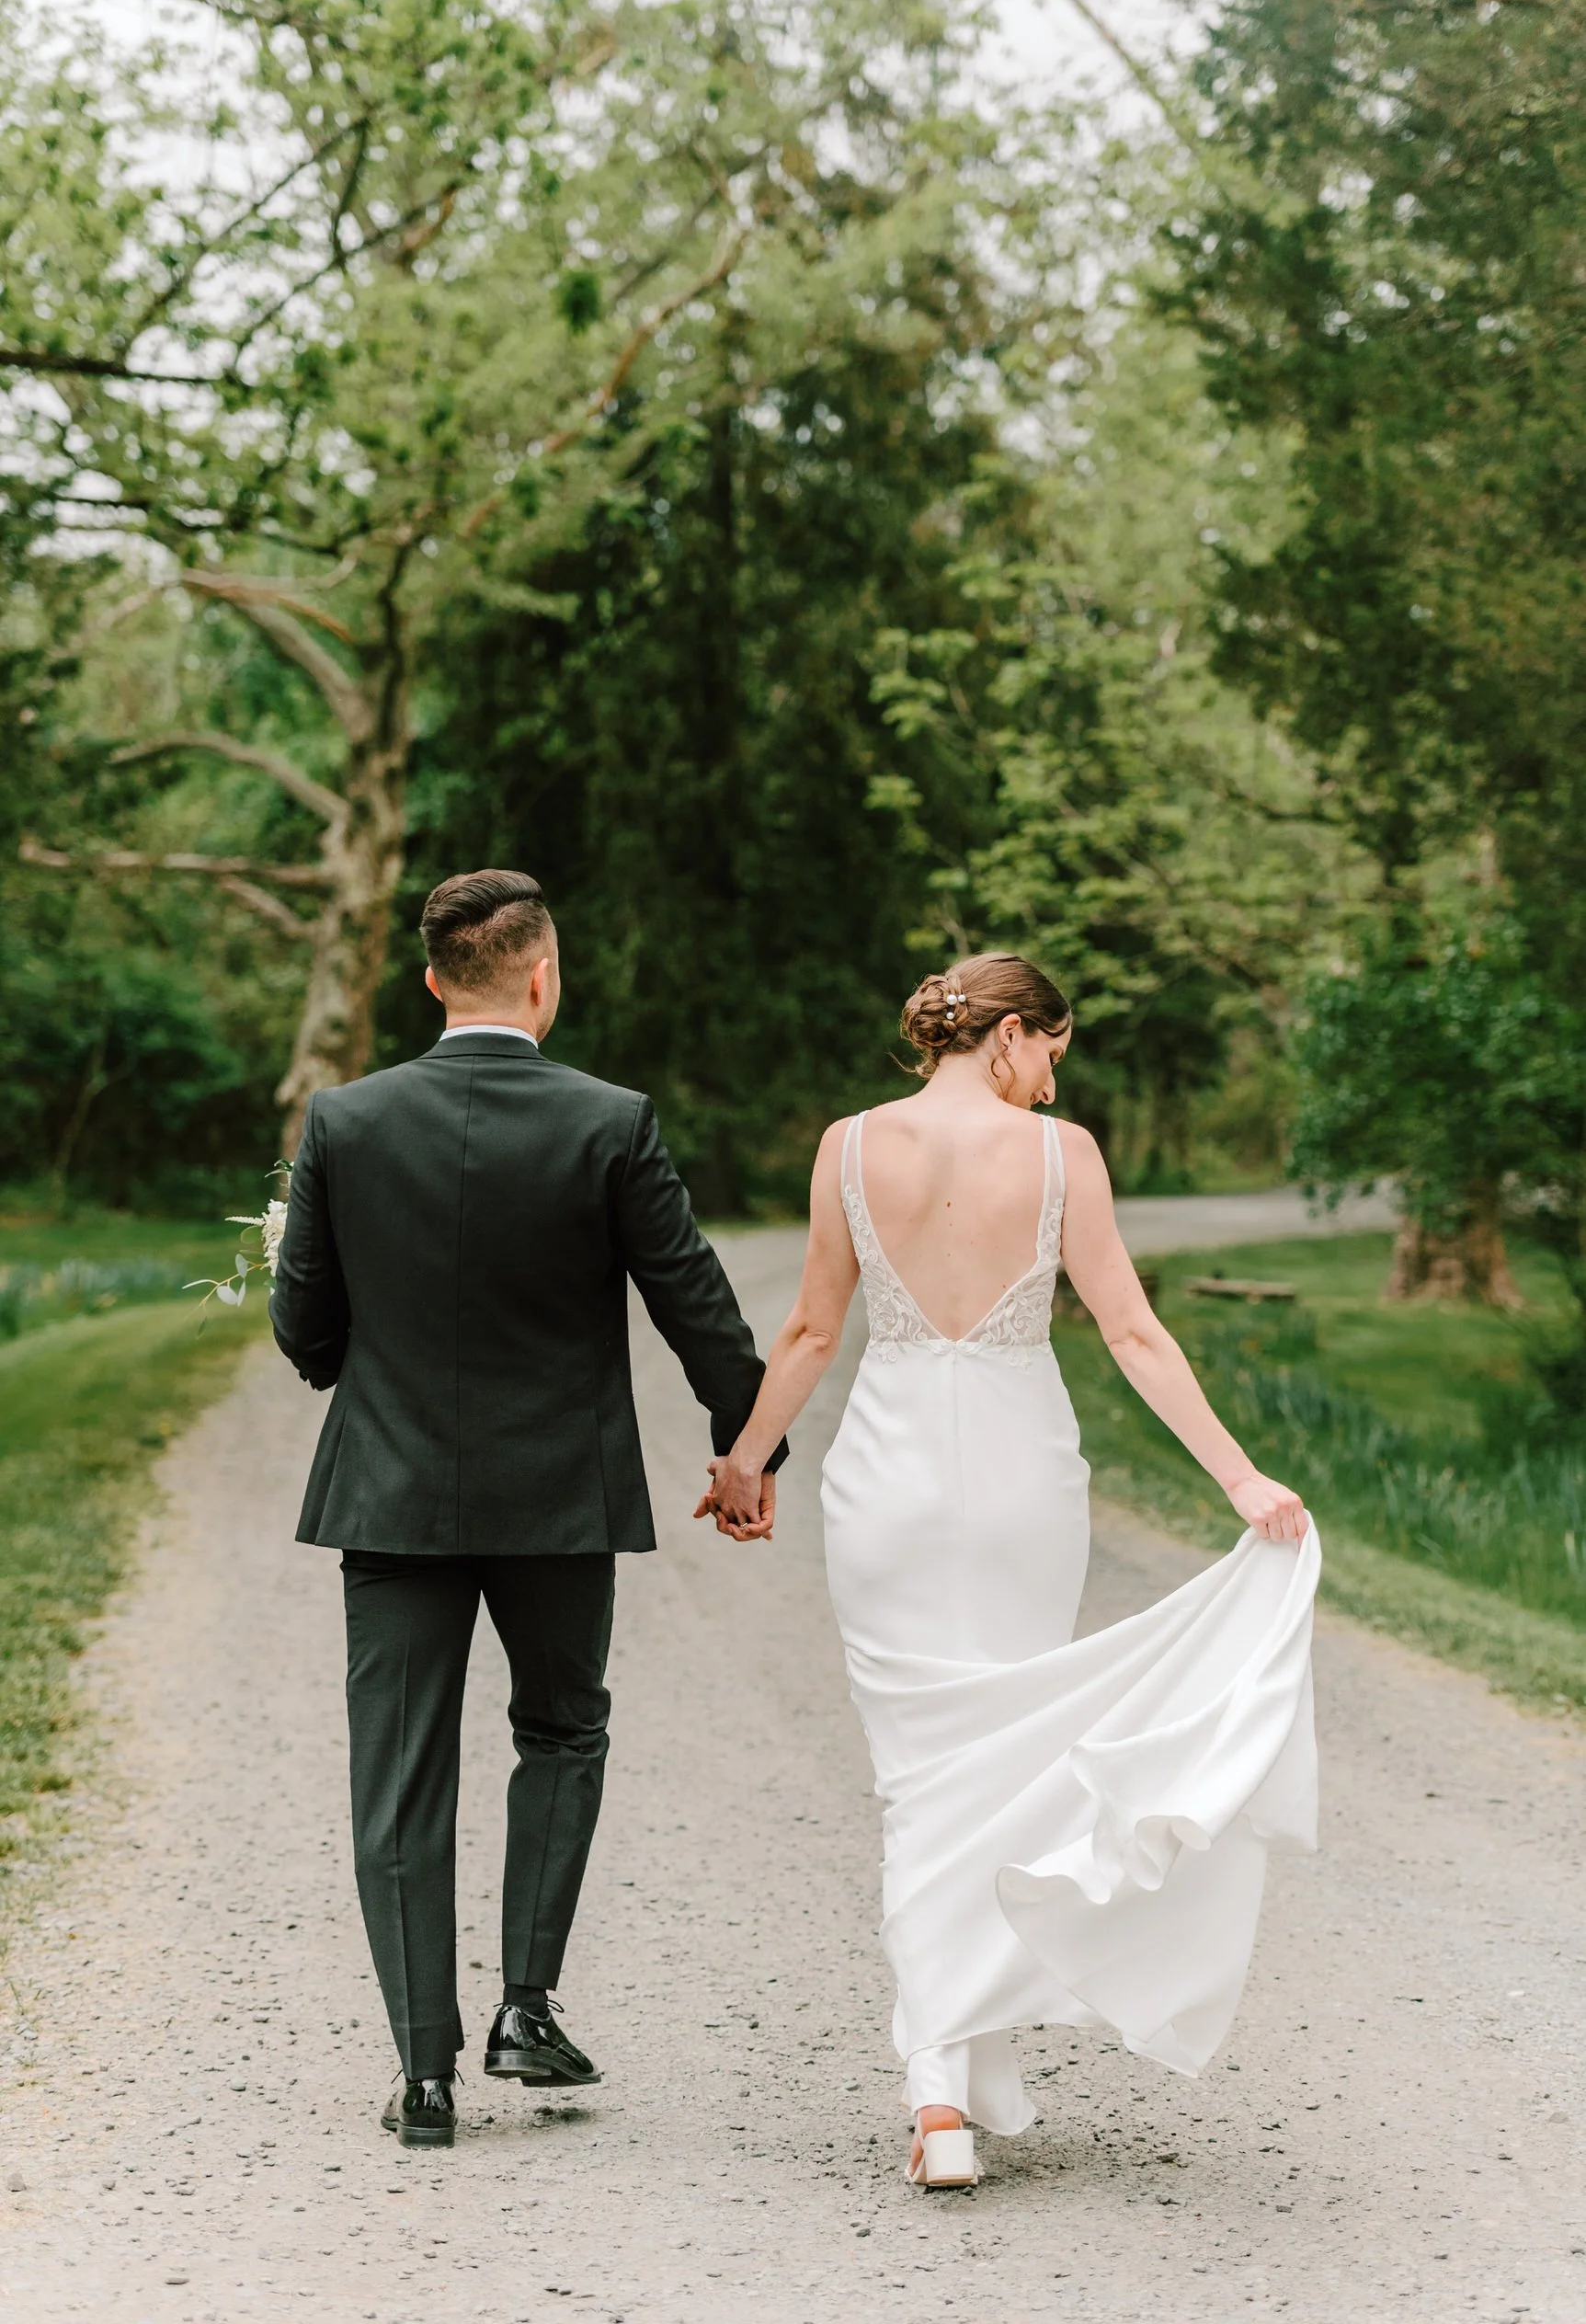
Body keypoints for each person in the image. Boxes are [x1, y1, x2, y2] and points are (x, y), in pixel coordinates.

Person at [702, 954, 1318, 2189]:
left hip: (888, 1482)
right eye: (1052, 1049)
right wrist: (1241, 1478)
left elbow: (815, 1328)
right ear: (1007, 1039)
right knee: (1001, 1765)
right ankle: (953, 2068)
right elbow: (1133, 1332)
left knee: (920, 1781)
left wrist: (746, 1460)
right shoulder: (1060, 1158)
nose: (1052, 1076)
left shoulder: (846, 1144)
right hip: (1024, 1483)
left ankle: (944, 2090)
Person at [270, 868, 782, 2148]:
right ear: (543, 976)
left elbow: (305, 1329)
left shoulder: (345, 1120)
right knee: (561, 1733)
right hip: (559, 1501)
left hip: (391, 1499)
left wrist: (358, 1366)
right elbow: (696, 1302)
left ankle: (425, 2074)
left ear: (434, 980)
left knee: (399, 1779)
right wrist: (749, 1447)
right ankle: (526, 2008)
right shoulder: (610, 1122)